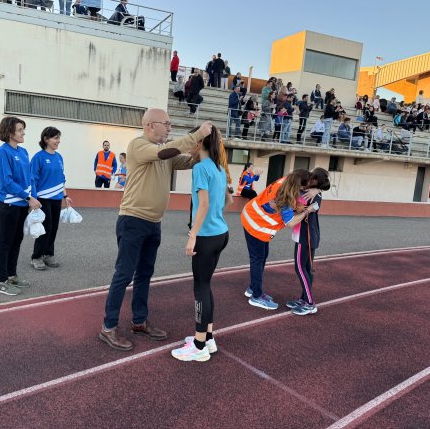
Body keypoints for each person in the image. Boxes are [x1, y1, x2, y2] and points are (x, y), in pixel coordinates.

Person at [99, 111, 213, 351]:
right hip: (133, 220)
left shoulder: (165, 152)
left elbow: (185, 160)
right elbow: (166, 152)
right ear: (151, 125)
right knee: (124, 274)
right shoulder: (139, 145)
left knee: (145, 273)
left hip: (153, 222)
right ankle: (108, 327)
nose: (170, 128)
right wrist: (197, 133)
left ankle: (139, 321)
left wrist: (203, 149)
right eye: (167, 124)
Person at [171, 126, 230, 362]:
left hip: (206, 237)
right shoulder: (219, 168)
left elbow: (203, 204)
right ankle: (208, 338)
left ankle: (198, 345)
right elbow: (227, 199)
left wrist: (192, 234)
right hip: (221, 233)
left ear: (198, 144)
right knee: (206, 285)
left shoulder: (200, 168)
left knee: (200, 288)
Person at [242, 170, 320, 310]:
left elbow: (320, 176)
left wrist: (317, 190)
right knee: (258, 259)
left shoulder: (288, 180)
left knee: (262, 256)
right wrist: (306, 211)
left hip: (252, 215)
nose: (306, 190)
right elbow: (290, 222)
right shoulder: (284, 195)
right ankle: (257, 296)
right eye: (305, 188)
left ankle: (253, 288)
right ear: (299, 185)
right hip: (256, 224)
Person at [0, 117, 41, 296]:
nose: (23, 133)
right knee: (5, 242)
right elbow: (6, 182)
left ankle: (12, 275)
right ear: (9, 132)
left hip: (22, 203)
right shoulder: (2, 153)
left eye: (23, 130)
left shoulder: (23, 152)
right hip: (8, 204)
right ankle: (1, 281)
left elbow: (29, 178)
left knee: (16, 240)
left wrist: (33, 198)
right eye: (20, 130)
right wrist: (28, 197)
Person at [288, 168, 331, 316]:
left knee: (300, 268)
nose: (307, 178)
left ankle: (310, 303)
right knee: (306, 268)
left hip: (305, 236)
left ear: (314, 180)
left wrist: (316, 191)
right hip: (309, 235)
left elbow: (300, 207)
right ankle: (304, 298)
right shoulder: (314, 192)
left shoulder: (312, 194)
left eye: (311, 176)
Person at [30, 127, 72, 271]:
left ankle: (48, 254)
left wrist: (65, 195)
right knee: (45, 226)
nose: (58, 141)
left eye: (59, 138)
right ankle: (36, 257)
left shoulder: (59, 157)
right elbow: (32, 180)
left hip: (56, 197)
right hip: (42, 198)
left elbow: (61, 179)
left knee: (54, 226)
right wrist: (33, 199)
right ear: (46, 139)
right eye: (55, 138)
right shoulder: (38, 157)